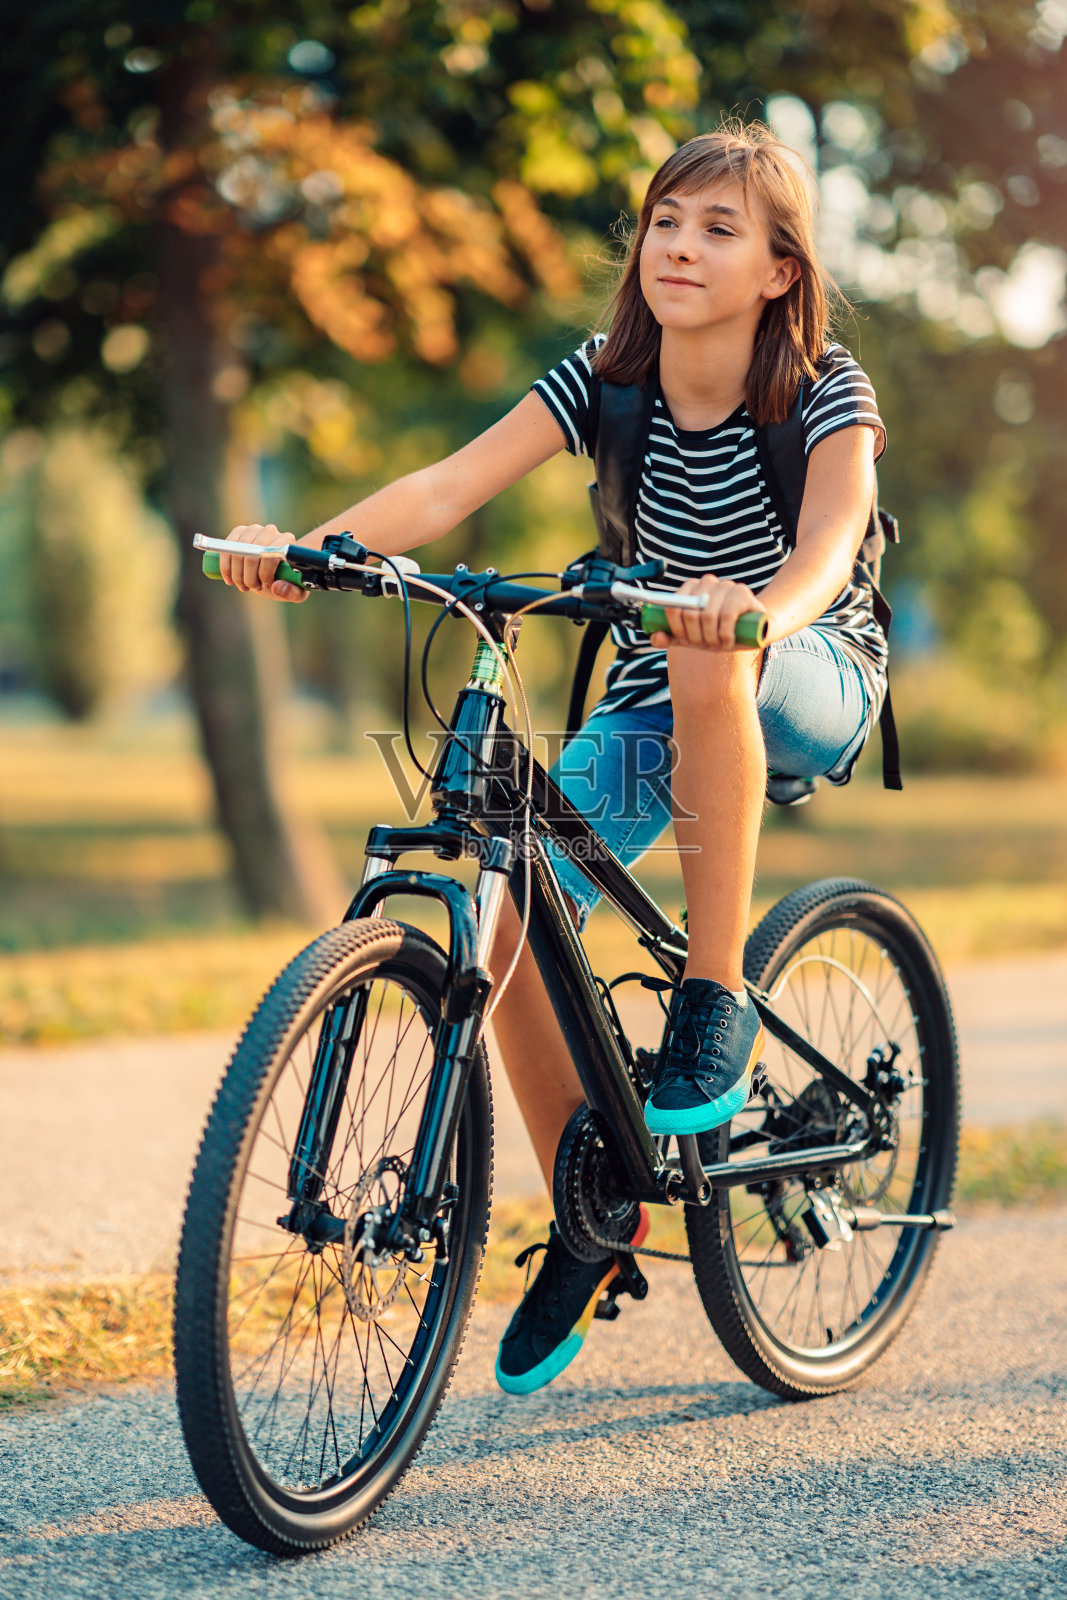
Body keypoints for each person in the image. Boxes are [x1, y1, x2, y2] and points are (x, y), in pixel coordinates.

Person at [220, 120, 887, 1397]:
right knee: (507, 887)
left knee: (705, 648)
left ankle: (713, 994)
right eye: (664, 221)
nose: (679, 247)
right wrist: (308, 549)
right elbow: (444, 485)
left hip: (805, 667)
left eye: (718, 229)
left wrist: (750, 612)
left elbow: (824, 545)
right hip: (661, 682)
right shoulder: (605, 376)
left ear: (778, 272)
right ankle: (591, 1206)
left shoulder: (823, 388)